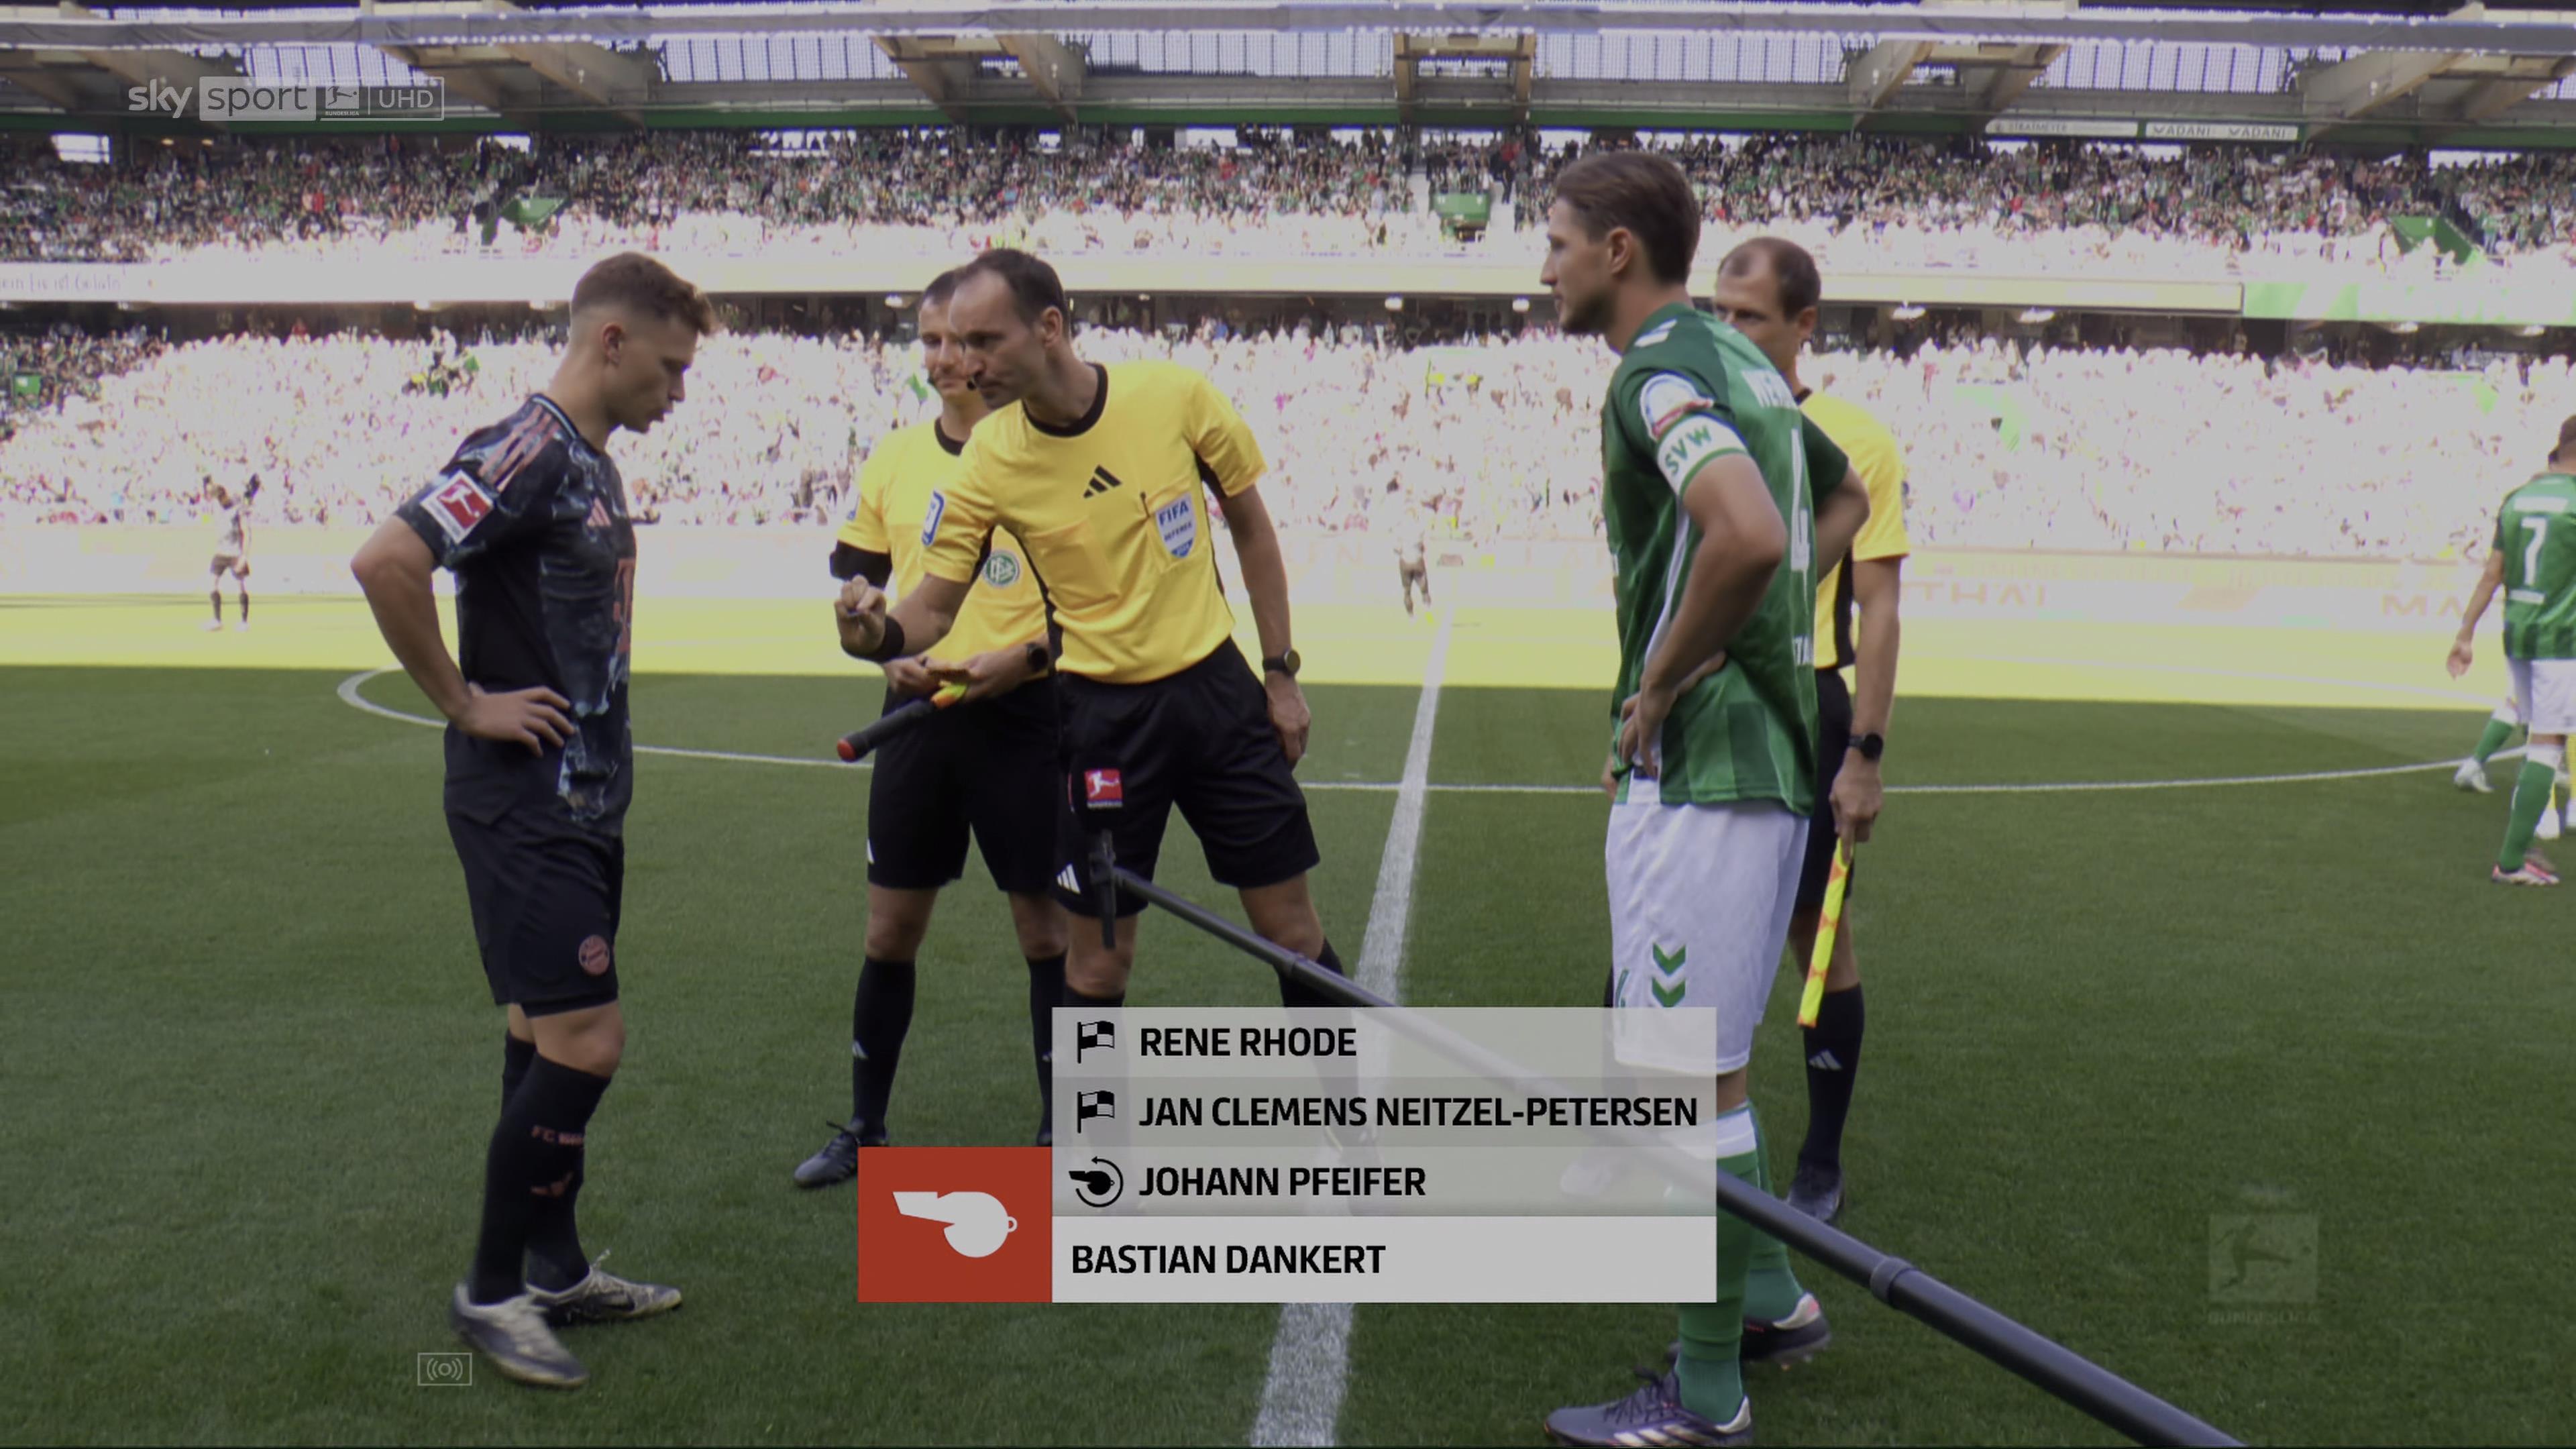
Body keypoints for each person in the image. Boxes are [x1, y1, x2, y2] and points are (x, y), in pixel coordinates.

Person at [1536, 152, 1870, 1449]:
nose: (1546, 267)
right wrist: (1765, 622)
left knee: (1685, 1085)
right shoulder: (1751, 366)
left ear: (1618, 250)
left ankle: (1707, 1394)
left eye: (1557, 241)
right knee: (1699, 1067)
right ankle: (1774, 1302)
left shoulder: (1660, 370)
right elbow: (1836, 493)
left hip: (1709, 768)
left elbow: (1751, 532)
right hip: (1763, 760)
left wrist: (1668, 674)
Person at [349, 253, 712, 1389]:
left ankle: (552, 1271)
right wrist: (465, 703)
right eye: (670, 366)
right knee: (589, 1042)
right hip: (524, 805)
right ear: (611, 340)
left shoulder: (591, 463)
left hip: (584, 804)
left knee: (540, 1030)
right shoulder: (527, 449)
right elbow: (388, 559)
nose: (679, 390)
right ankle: (490, 1292)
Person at [833, 248, 1352, 1023]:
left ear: (1049, 328)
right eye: (959, 344)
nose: (967, 364)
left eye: (985, 342)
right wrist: (877, 634)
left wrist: (1280, 672)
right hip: (1103, 723)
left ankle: (1348, 1106)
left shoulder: (1173, 396)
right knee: (1099, 966)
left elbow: (1252, 528)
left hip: (1217, 697)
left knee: (1292, 934)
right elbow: (932, 609)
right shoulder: (987, 462)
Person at [795, 269, 1069, 1185]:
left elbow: (1092, 600)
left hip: (1027, 713)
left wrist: (1022, 659)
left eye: (964, 340)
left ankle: (1062, 1136)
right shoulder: (895, 458)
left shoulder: (1047, 451)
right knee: (889, 933)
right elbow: (866, 592)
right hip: (918, 717)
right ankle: (865, 1132)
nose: (948, 358)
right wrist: (877, 646)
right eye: (932, 341)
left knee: (1046, 934)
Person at [1709, 237, 1907, 1226]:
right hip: (1703, 706)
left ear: (1803, 327)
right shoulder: (1694, 421)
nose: (1731, 332)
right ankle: (1644, 1138)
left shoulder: (1854, 440)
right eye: (1720, 314)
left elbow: (1881, 607)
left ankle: (1820, 1162)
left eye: (1750, 317)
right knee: (1670, 914)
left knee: (1813, 933)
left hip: (1808, 707)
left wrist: (1865, 754)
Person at [2447, 415, 2576, 885]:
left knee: (2536, 734)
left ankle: (2526, 842)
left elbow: (2492, 574)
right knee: (2548, 744)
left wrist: (2465, 634)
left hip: (2518, 632)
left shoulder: (2517, 499)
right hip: (2561, 638)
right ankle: (2513, 859)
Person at [1373, 478, 1434, 617]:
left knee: (1407, 590)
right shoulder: (1419, 527)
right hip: (1417, 560)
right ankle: (1427, 608)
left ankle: (1411, 616)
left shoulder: (1400, 528)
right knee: (1424, 589)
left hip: (1405, 561)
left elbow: (1396, 547)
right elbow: (1424, 543)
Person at [205, 476, 255, 632]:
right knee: (212, 583)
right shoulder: (216, 506)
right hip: (221, 550)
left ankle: (244, 621)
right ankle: (217, 620)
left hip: (235, 552)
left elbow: (246, 532)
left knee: (241, 585)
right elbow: (209, 491)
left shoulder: (237, 510)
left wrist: (244, 556)